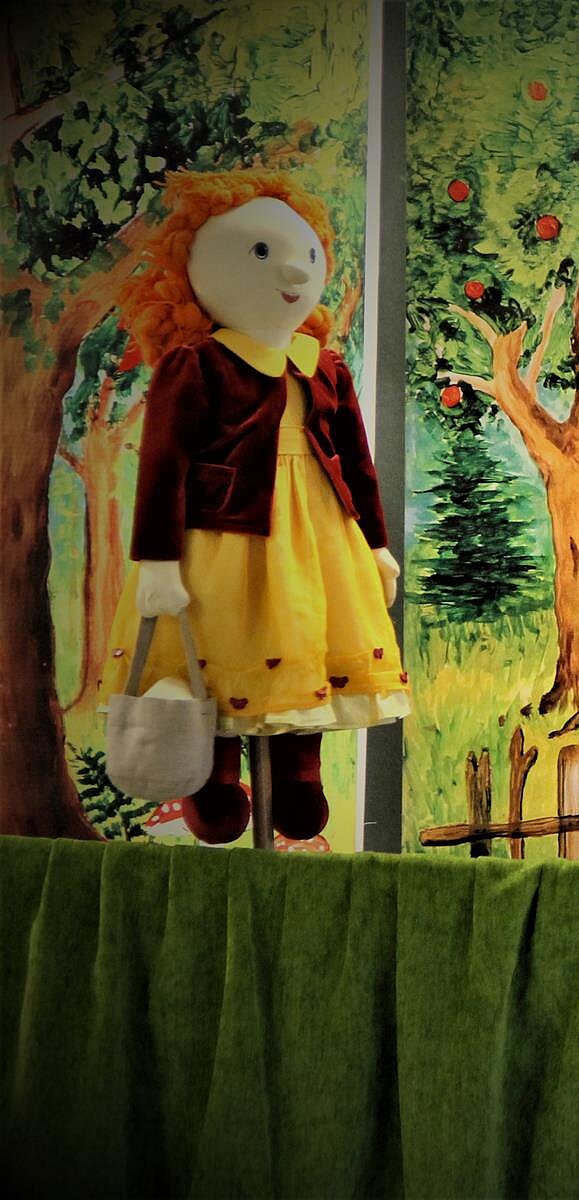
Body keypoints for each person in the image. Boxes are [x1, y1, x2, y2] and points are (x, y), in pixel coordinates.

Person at [102, 169, 408, 844]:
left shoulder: (325, 367)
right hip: (222, 540)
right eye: (265, 253)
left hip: (319, 539)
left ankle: (300, 774)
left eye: (306, 255)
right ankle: (212, 776)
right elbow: (163, 468)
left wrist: (377, 544)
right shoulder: (198, 364)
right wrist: (158, 560)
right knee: (218, 651)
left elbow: (358, 464)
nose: (293, 271)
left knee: (307, 647)